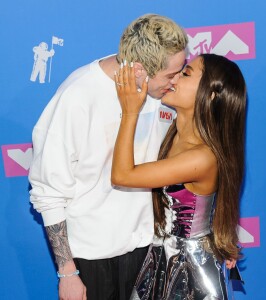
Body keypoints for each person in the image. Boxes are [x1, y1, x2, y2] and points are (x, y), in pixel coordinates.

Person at [29, 14, 188, 300]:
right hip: (92, 258)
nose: (177, 82)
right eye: (171, 75)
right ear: (139, 70)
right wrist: (68, 273)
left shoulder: (164, 95)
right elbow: (48, 191)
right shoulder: (77, 98)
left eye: (182, 70)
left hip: (148, 250)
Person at [111, 53, 246, 299]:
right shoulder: (172, 130)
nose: (174, 78)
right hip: (162, 258)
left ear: (211, 95)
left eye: (185, 74)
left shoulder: (202, 157)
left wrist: (130, 111)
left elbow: (122, 175)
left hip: (190, 272)